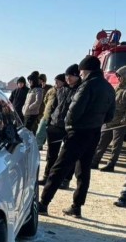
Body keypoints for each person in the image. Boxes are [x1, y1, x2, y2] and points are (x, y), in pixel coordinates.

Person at [39, 55, 116, 218]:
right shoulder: (109, 88)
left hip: (78, 133)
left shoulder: (87, 86)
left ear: (87, 70)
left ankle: (43, 203)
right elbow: (110, 116)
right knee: (83, 170)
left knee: (59, 168)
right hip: (94, 133)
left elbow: (73, 112)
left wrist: (69, 128)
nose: (80, 75)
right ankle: (77, 206)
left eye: (81, 72)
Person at [39, 68, 79, 186]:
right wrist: (50, 121)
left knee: (68, 155)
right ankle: (47, 177)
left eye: (70, 76)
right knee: (51, 155)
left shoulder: (79, 91)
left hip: (69, 127)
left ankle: (65, 180)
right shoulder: (61, 90)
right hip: (55, 125)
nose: (68, 78)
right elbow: (53, 106)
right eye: (67, 76)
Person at [91, 65, 126, 172]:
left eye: (120, 76)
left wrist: (123, 121)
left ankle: (111, 164)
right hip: (109, 120)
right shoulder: (116, 88)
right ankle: (94, 162)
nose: (118, 78)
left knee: (116, 146)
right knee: (101, 142)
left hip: (120, 123)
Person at [36, 74, 65, 150]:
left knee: (52, 137)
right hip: (46, 115)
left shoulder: (64, 91)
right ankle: (38, 146)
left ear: (63, 82)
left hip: (55, 119)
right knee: (40, 132)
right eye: (55, 81)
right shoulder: (51, 90)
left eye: (58, 81)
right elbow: (45, 100)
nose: (56, 83)